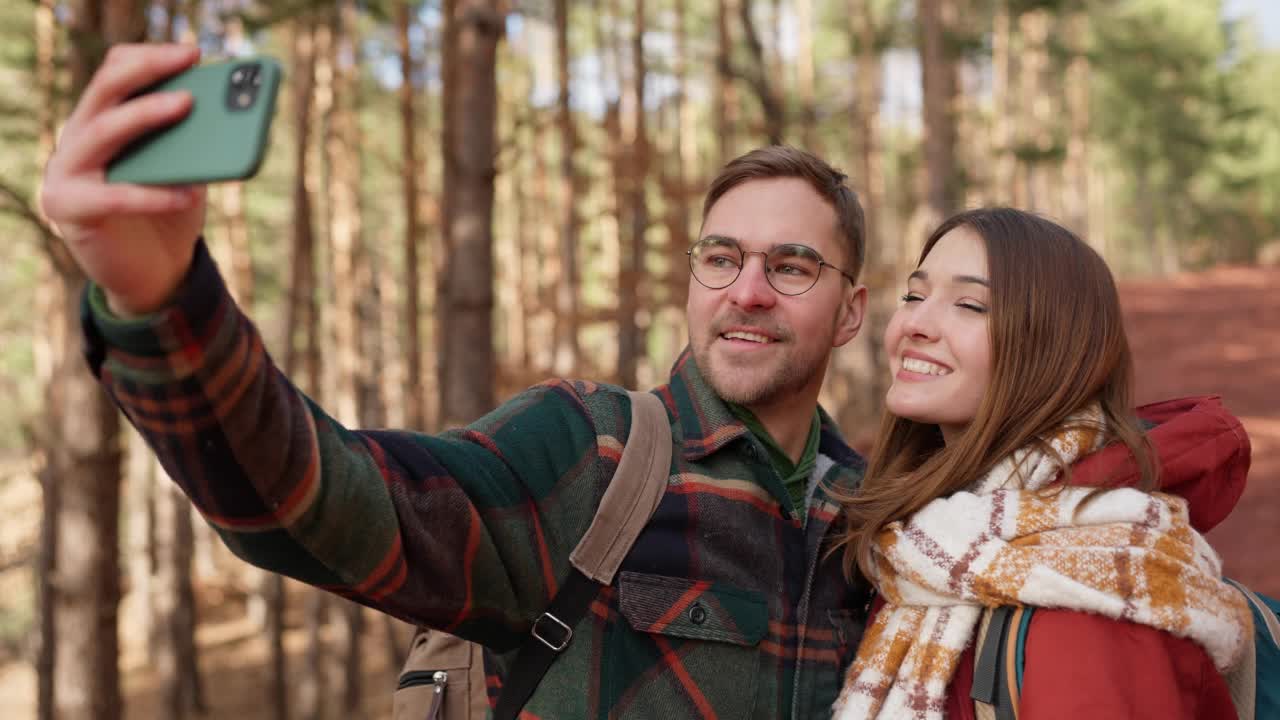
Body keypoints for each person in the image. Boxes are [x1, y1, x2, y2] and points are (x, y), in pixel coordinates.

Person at [42, 43, 875, 718]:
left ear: (851, 311)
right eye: (722, 257)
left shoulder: (883, 517)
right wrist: (162, 303)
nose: (747, 289)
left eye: (793, 266)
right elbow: (329, 503)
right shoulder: (592, 450)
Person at [830, 208, 1253, 720]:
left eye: (969, 305)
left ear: (1054, 346)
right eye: (914, 296)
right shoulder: (929, 545)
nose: (915, 323)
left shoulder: (1091, 592)